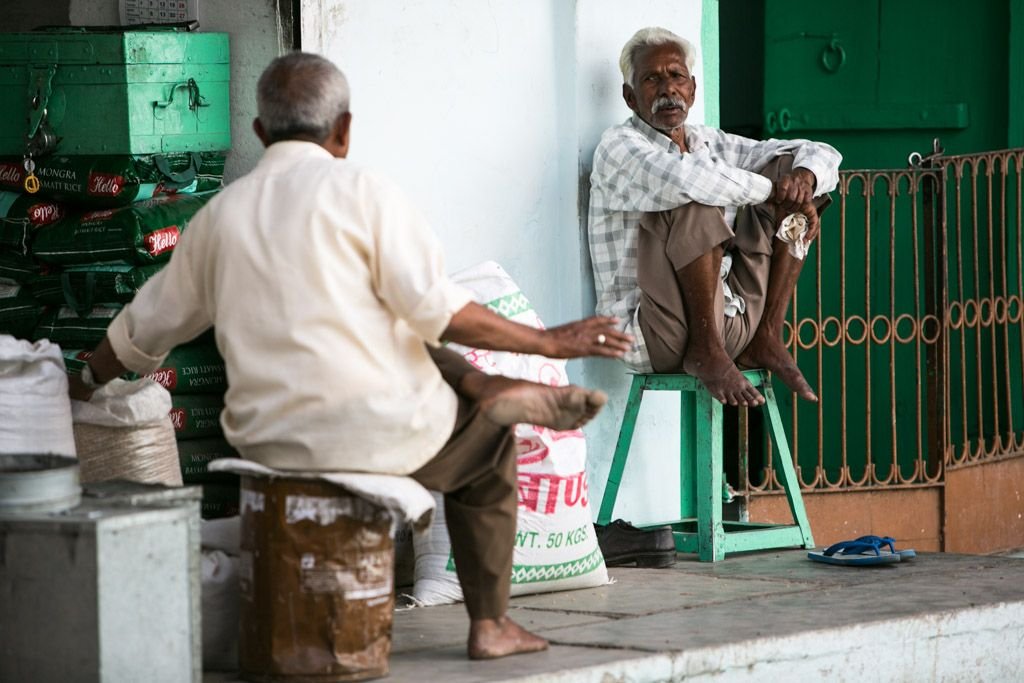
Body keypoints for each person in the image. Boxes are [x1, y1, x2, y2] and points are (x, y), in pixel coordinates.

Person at [69, 52, 632, 661]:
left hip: (268, 444)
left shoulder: (218, 217)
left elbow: (140, 331)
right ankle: (491, 623)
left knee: (394, 334)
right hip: (382, 437)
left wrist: (85, 378)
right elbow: (441, 310)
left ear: (260, 134)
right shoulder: (366, 192)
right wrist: (549, 342)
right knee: (488, 448)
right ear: (344, 130)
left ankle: (479, 388)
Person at [588, 27, 842, 407]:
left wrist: (801, 182)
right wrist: (775, 193)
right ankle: (705, 349)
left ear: (692, 88)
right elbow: (686, 180)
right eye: (651, 79)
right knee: (697, 195)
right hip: (653, 335)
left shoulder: (707, 142)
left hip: (733, 321)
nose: (667, 90)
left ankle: (767, 333)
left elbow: (822, 153)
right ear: (630, 96)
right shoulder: (619, 146)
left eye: (676, 76)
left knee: (791, 168)